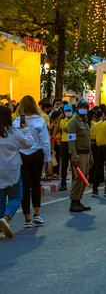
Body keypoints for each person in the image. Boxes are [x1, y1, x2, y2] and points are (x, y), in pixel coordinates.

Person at [12, 95, 51, 228]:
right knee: (36, 184)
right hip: (37, 155)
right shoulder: (40, 121)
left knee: (24, 186)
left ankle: (27, 218)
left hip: (22, 155)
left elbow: (14, 141)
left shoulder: (16, 122)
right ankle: (37, 214)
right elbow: (45, 141)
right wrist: (48, 160)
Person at [1, 105, 33, 240]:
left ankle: (0, 226)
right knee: (16, 197)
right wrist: (26, 129)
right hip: (12, 170)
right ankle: (6, 218)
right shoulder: (14, 132)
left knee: (1, 199)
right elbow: (28, 144)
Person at [67, 103, 93, 212]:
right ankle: (74, 201)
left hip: (86, 153)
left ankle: (78, 200)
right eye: (81, 108)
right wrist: (73, 155)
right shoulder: (73, 122)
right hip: (79, 154)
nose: (83, 110)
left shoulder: (85, 123)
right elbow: (71, 140)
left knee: (85, 177)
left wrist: (91, 156)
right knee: (79, 177)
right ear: (77, 109)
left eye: (85, 108)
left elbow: (88, 140)